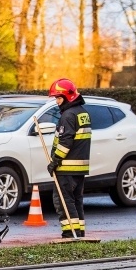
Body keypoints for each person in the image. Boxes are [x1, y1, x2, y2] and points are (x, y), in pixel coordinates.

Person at [46, 78, 91, 238]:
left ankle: (69, 233)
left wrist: (55, 161)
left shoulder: (68, 116)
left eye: (58, 98)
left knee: (63, 201)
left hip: (66, 167)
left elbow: (65, 142)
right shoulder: (82, 113)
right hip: (80, 168)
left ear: (68, 97)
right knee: (76, 201)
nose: (57, 102)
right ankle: (79, 231)